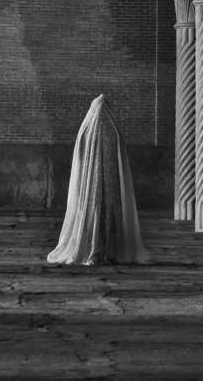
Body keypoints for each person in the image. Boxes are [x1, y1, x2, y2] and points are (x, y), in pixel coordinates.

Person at [47, 93, 149, 265]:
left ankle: (92, 250)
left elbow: (79, 157)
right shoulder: (114, 130)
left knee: (92, 213)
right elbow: (121, 160)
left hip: (90, 188)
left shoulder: (86, 129)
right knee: (109, 215)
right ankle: (108, 251)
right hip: (111, 185)